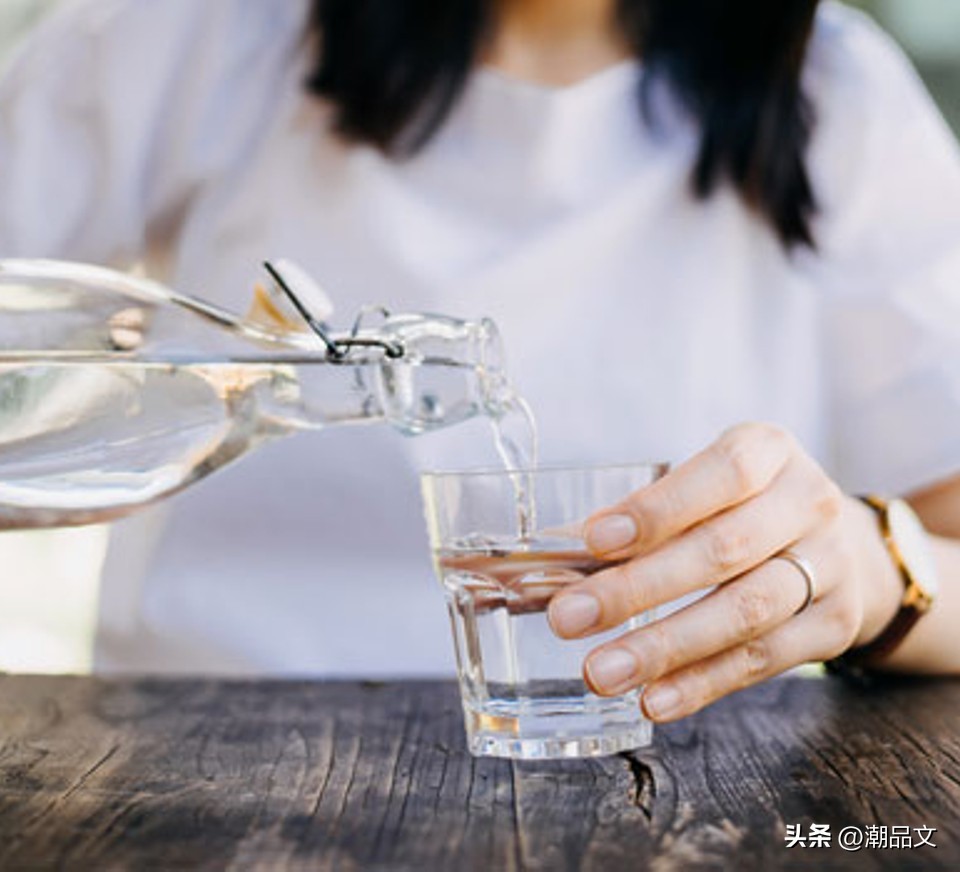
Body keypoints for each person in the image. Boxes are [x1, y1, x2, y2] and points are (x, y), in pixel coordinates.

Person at [0, 0, 958, 721]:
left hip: (684, 787)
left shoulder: (840, 101)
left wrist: (877, 570)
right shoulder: (201, 32)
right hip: (197, 765)